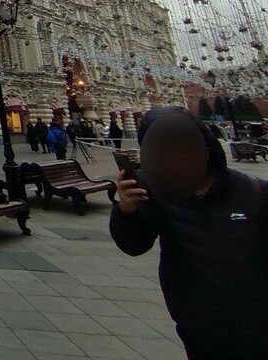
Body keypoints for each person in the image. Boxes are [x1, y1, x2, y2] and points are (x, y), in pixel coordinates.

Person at [110, 107, 266, 360]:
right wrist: (127, 211)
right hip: (199, 325)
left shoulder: (255, 192)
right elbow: (134, 245)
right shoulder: (156, 192)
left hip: (257, 322)